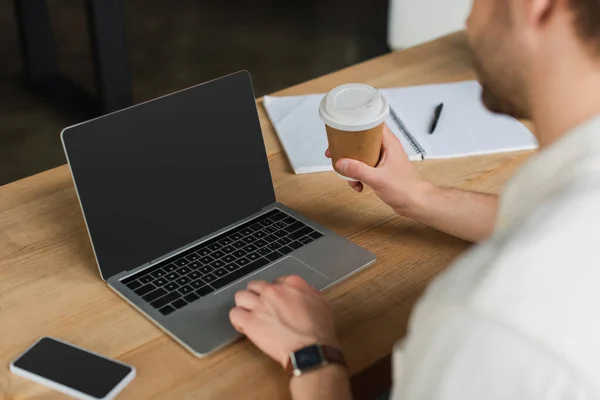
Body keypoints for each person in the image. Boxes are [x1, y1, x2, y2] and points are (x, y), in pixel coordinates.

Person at [229, 0, 600, 398]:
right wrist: (420, 197)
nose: (469, 20)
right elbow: (552, 219)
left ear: (537, 7)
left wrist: (312, 356)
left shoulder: (491, 323)